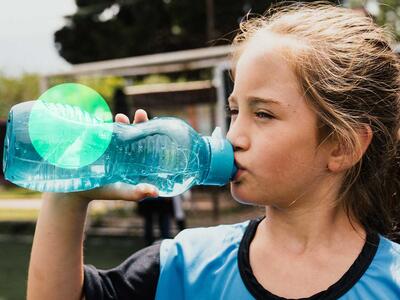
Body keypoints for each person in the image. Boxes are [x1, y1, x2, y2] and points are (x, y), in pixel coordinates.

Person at [27, 3, 400, 300]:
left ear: (343, 145)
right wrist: (70, 197)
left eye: (263, 114)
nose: (234, 135)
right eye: (235, 111)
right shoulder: (185, 264)